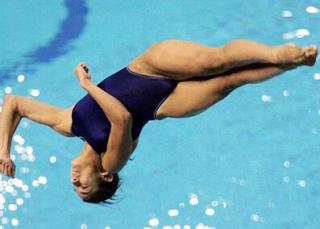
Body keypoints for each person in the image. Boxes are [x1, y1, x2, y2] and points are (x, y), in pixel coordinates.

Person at [0, 39, 317, 203]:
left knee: (215, 61)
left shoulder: (68, 124)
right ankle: (296, 63)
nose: (76, 183)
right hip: (165, 104)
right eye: (84, 188)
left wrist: (4, 151)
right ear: (104, 179)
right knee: (228, 82)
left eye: (76, 188)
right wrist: (87, 86)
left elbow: (14, 104)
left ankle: (276, 54)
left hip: (148, 68)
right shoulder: (112, 162)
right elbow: (122, 118)